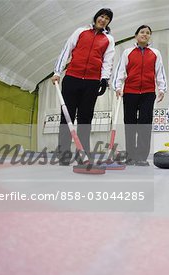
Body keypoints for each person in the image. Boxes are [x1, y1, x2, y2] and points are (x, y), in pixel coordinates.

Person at [51, 8, 115, 165]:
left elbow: (108, 61)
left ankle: (83, 154)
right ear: (96, 17)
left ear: (108, 22)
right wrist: (57, 72)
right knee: (67, 117)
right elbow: (66, 50)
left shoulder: (109, 39)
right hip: (72, 78)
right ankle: (64, 154)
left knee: (85, 118)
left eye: (107, 18)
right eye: (101, 16)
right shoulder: (81, 31)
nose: (103, 19)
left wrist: (104, 79)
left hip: (91, 82)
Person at [113, 25, 167, 166]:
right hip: (130, 92)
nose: (145, 35)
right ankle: (130, 156)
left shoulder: (155, 53)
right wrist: (118, 87)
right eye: (142, 32)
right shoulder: (127, 52)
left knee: (145, 124)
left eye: (148, 33)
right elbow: (120, 71)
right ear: (136, 35)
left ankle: (141, 157)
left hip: (148, 93)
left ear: (150, 36)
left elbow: (160, 72)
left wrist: (162, 89)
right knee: (130, 124)